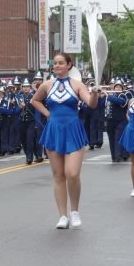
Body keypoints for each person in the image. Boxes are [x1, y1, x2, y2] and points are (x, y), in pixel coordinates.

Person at [31, 53, 97, 229]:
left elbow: (91, 103)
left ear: (69, 65)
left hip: (73, 129)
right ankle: (62, 216)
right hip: (54, 130)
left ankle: (74, 211)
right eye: (55, 63)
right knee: (59, 175)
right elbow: (35, 100)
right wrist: (48, 114)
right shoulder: (47, 85)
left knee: (72, 173)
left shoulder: (77, 85)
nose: (57, 66)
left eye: (61, 63)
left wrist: (95, 93)